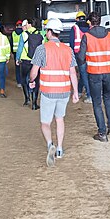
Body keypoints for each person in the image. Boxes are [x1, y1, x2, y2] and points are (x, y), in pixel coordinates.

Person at [29, 18, 79, 167]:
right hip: (64, 91)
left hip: (48, 92)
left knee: (45, 122)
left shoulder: (42, 49)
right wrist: (75, 91)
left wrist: (31, 81)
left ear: (49, 32)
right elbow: (73, 73)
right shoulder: (68, 49)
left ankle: (50, 143)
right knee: (60, 119)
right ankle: (60, 149)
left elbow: (34, 71)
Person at [77, 11, 110, 143]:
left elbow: (81, 57)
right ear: (100, 22)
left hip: (94, 73)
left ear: (90, 23)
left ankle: (102, 133)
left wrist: (81, 65)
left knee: (97, 102)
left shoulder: (87, 36)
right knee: (108, 98)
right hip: (109, 72)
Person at [16, 19, 44, 109]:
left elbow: (20, 48)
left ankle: (27, 99)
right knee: (35, 81)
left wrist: (17, 58)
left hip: (25, 60)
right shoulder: (40, 34)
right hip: (36, 61)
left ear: (29, 24)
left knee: (24, 79)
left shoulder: (23, 34)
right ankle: (34, 103)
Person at [71, 11, 92, 103]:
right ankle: (79, 91)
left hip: (79, 54)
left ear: (77, 19)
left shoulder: (75, 27)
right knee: (84, 73)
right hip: (89, 54)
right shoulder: (90, 27)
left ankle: (90, 95)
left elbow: (72, 42)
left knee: (83, 74)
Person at [10, 20, 23, 88]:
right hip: (23, 52)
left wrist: (12, 52)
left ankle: (19, 82)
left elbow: (11, 43)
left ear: (16, 26)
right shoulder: (24, 33)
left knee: (17, 67)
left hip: (15, 52)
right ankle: (24, 81)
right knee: (23, 67)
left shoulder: (13, 33)